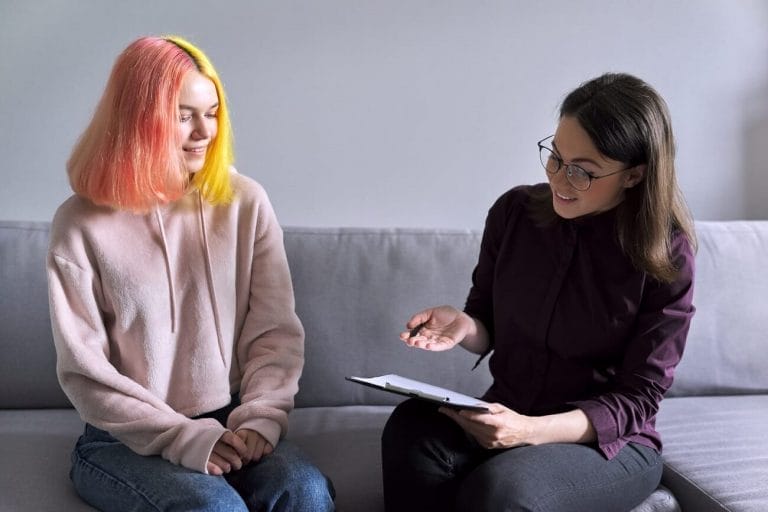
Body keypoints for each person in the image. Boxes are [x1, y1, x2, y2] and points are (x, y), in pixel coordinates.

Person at [381, 72, 696, 512]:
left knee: (503, 490)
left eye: (583, 172)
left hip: (605, 444)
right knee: (411, 429)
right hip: (506, 410)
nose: (560, 180)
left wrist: (529, 431)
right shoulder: (514, 214)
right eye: (555, 157)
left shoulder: (667, 255)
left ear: (634, 175)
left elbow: (638, 398)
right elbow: (485, 319)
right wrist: (465, 326)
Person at [47, 35, 335, 512]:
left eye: (213, 111)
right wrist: (182, 438)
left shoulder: (245, 202)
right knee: (213, 507)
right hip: (124, 439)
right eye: (184, 116)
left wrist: (260, 418)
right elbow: (85, 372)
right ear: (138, 119)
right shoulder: (80, 223)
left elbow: (275, 332)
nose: (206, 131)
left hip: (233, 423)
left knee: (303, 490)